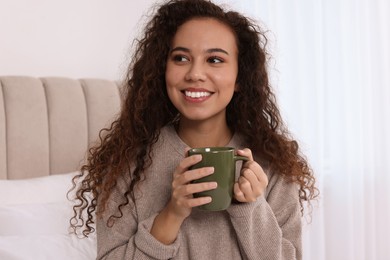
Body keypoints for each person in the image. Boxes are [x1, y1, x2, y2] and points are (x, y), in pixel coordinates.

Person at [70, 0, 318, 259]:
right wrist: (172, 214)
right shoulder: (127, 163)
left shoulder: (273, 164)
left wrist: (252, 207)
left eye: (214, 59)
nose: (195, 73)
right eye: (181, 58)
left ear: (240, 79)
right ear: (162, 70)